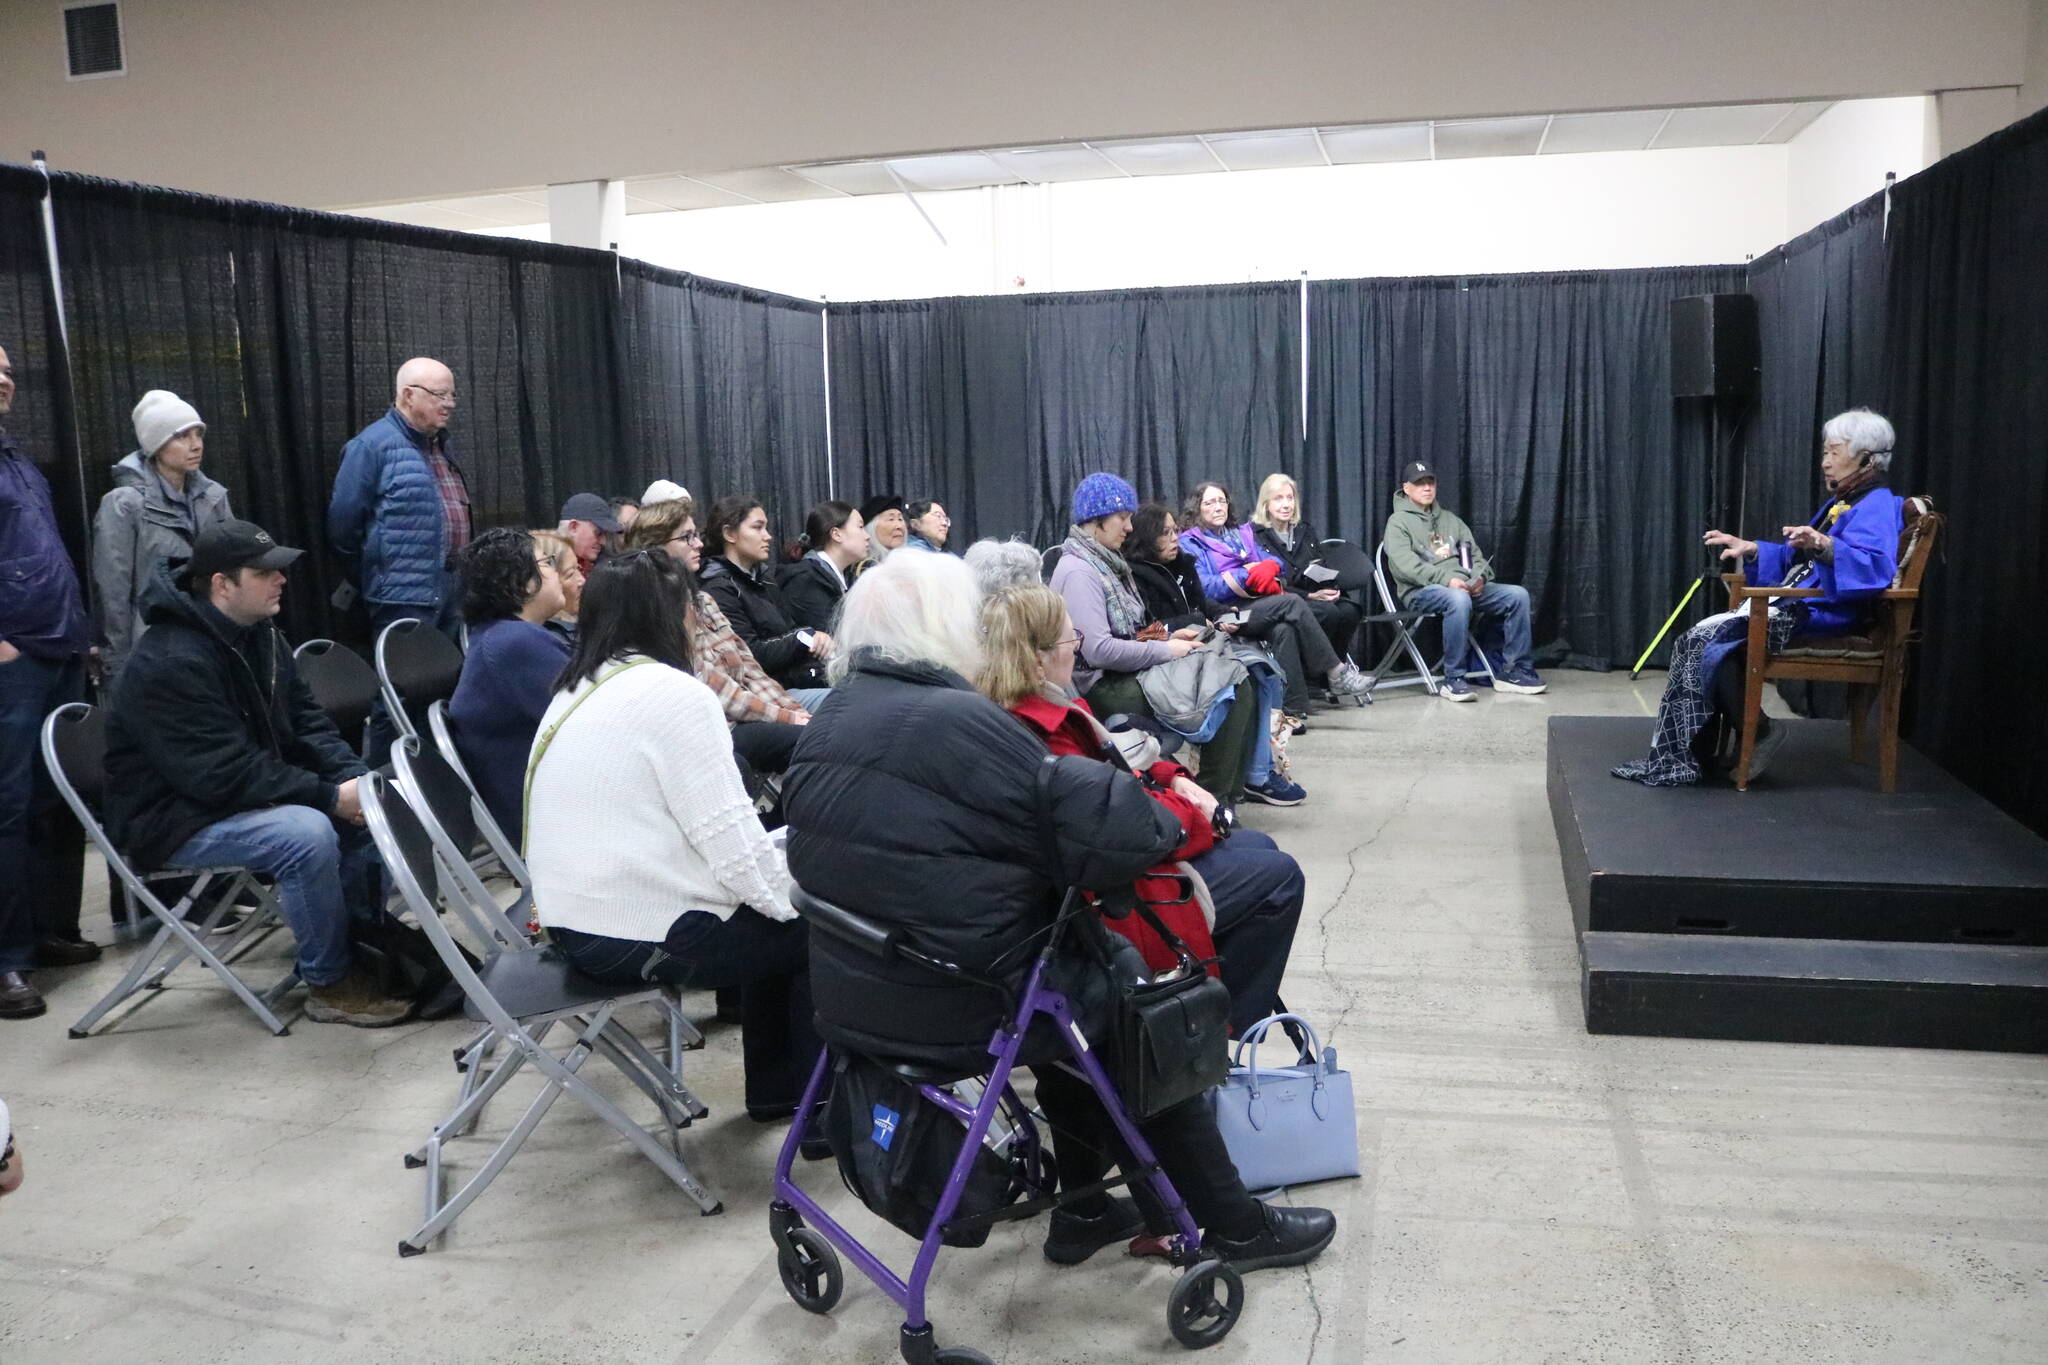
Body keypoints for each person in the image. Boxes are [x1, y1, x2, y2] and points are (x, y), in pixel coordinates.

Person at [783, 550, 1335, 1273]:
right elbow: (1120, 833)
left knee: (1073, 969)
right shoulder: (960, 722)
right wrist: (1174, 815)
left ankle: (1084, 1207)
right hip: (962, 1001)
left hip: (862, 992)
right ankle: (1232, 1221)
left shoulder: (833, 719)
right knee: (1134, 999)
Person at [527, 550, 820, 1123]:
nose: (701, 619)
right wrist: (804, 891)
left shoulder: (580, 684)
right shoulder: (674, 694)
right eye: (693, 606)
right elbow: (731, 843)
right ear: (673, 614)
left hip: (569, 919)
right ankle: (821, 1114)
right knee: (821, 925)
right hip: (630, 931)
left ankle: (780, 1095)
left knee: (778, 910)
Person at [103, 521, 411, 1026]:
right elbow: (219, 774)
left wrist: (354, 785)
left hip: (236, 795)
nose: (281, 579)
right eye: (264, 572)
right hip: (172, 818)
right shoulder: (168, 661)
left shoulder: (259, 635)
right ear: (222, 584)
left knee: (373, 802)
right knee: (306, 834)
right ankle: (329, 983)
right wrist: (328, 798)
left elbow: (308, 724)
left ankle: (363, 949)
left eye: (280, 569)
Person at [979, 584, 1305, 1032]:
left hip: (1096, 866)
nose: (1077, 647)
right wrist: (1200, 815)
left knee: (1262, 848)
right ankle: (1212, 1032)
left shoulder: (1024, 708)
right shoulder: (1047, 730)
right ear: (1036, 658)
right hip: (1107, 897)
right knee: (1279, 877)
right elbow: (1127, 827)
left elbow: (1116, 775)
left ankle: (1210, 1012)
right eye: (1069, 639)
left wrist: (1177, 781)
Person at [1615, 409, 1905, 787]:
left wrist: (1825, 545)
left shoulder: (1877, 504)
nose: (1825, 462)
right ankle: (1700, 752)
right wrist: (1751, 549)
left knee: (1707, 641)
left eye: (1834, 452)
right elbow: (1796, 558)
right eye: (1825, 453)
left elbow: (1873, 568)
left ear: (1867, 457)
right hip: (1804, 603)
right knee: (1700, 641)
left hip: (1829, 611)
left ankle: (1750, 734)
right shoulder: (1847, 502)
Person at [1049, 473, 1261, 806]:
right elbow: (1099, 650)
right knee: (1230, 685)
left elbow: (1128, 632)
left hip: (1126, 674)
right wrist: (1165, 649)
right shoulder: (1080, 572)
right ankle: (1210, 801)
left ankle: (1220, 798)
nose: (1129, 527)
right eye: (1122, 518)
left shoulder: (1103, 563)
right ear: (1095, 521)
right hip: (1105, 688)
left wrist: (1167, 635)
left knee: (1236, 676)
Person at [1, 344, 98, 1018]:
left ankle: (45, 931)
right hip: (16, 660)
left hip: (60, 649)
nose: (5, 380)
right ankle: (7, 961)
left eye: (7, 370)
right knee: (7, 807)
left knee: (55, 800)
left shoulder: (18, 461)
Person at [328, 357, 471, 761]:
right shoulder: (371, 447)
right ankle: (385, 786)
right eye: (440, 394)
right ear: (408, 395)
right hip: (402, 594)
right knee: (396, 695)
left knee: (443, 688)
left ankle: (434, 775)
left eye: (452, 394)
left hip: (450, 587)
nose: (450, 404)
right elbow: (342, 526)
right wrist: (379, 574)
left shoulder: (441, 445)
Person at [1124, 503, 1304, 806]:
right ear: (1144, 537)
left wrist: (1224, 614)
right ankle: (1240, 783)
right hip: (1170, 656)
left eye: (1175, 531)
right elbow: (1145, 629)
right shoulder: (1136, 575)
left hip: (1204, 644)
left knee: (1265, 673)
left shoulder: (1183, 563)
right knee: (1244, 679)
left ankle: (1256, 773)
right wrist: (1193, 623)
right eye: (1164, 533)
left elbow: (1203, 605)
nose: (1174, 538)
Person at [622, 498, 810, 776]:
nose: (698, 544)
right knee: (813, 741)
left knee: (824, 730)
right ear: (655, 547)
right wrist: (789, 718)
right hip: (714, 729)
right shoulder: (649, 611)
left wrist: (793, 710)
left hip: (749, 717)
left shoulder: (704, 601)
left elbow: (750, 669)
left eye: (695, 535)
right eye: (687, 537)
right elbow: (709, 685)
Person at [1179, 480, 1371, 715]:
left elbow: (1277, 565)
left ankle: (1292, 709)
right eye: (1209, 502)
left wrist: (1267, 566)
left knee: (1284, 629)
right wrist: (1247, 574)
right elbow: (1203, 587)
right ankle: (1336, 671)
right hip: (1227, 612)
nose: (1218, 507)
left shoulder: (1241, 534)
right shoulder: (1190, 541)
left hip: (1257, 605)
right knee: (1291, 602)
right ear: (1197, 508)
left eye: (1222, 501)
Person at [93, 391, 234, 690]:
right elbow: (113, 591)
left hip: (213, 643)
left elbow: (232, 570)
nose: (196, 444)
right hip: (154, 651)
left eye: (199, 434)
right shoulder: (124, 504)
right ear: (156, 445)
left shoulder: (214, 497)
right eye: (182, 436)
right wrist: (117, 666)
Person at [1382, 461, 1546, 700]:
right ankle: (1454, 678)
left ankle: (1514, 671)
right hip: (1421, 592)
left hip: (1465, 587)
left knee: (1517, 595)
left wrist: (1479, 578)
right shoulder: (1397, 523)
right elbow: (1404, 566)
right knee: (1457, 599)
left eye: (1430, 482)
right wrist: (1447, 580)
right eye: (1419, 483)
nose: (1427, 488)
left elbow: (1475, 556)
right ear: (1406, 488)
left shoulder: (1451, 520)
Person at [448, 529, 569, 846]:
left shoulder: (500, 637)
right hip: (551, 822)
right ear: (521, 582)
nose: (556, 572)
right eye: (546, 563)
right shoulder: (513, 644)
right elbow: (592, 717)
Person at [698, 494, 832, 700]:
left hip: (793, 681)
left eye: (766, 528)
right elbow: (750, 654)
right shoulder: (718, 588)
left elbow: (788, 631)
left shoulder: (765, 580)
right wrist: (804, 638)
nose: (767, 536)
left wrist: (813, 639)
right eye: (757, 527)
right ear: (730, 534)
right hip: (765, 694)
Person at [1249, 473, 1363, 665]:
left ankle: (1336, 669)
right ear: (1265, 503)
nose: (1286, 504)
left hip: (1315, 593)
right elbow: (1270, 584)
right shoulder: (1255, 535)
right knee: (1329, 613)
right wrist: (1310, 596)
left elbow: (1321, 565)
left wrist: (1331, 588)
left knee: (1349, 610)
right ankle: (1318, 673)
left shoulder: (1305, 530)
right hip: (1284, 599)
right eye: (1278, 498)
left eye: (1290, 498)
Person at [782, 499, 868, 634]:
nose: (867, 536)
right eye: (860, 527)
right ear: (836, 534)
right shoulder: (806, 581)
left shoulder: (835, 577)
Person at [558, 492, 621, 580]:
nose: (603, 542)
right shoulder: (548, 568)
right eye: (598, 533)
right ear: (573, 527)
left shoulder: (591, 567)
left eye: (606, 534)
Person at [849, 493, 907, 581]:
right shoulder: (866, 568)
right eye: (891, 519)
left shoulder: (907, 563)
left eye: (900, 519)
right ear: (871, 528)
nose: (899, 526)